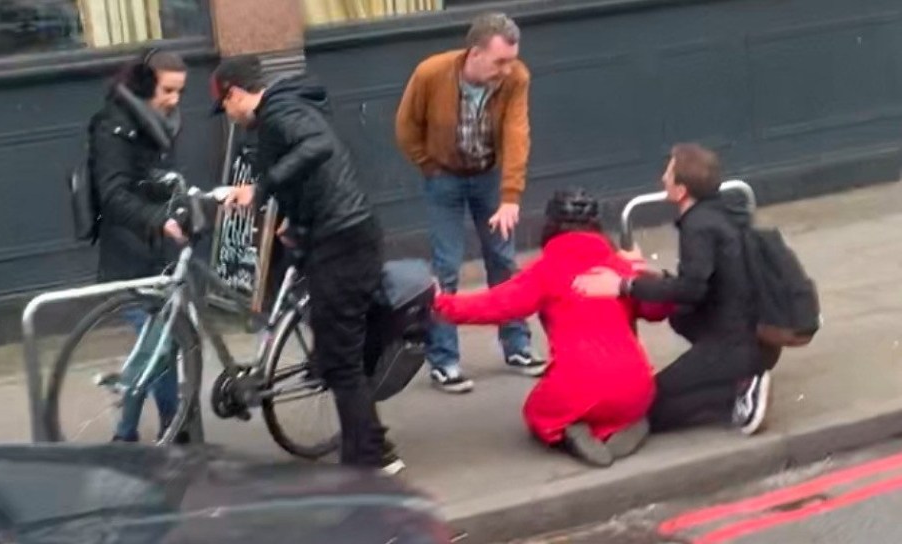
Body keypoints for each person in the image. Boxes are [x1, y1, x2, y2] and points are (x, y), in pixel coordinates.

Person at [211, 56, 403, 474]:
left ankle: (369, 460)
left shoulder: (281, 112)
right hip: (339, 235)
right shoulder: (285, 109)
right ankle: (372, 446)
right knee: (339, 352)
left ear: (235, 93)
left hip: (342, 241)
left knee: (339, 362)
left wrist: (260, 189)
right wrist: (292, 219)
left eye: (224, 106)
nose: (227, 116)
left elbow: (317, 147)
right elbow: (311, 174)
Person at [433, 189, 673, 466]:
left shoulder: (545, 271)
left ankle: (567, 431)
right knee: (628, 399)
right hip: (637, 384)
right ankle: (625, 422)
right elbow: (657, 308)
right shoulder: (621, 268)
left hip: (577, 386)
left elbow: (494, 305)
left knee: (537, 410)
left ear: (550, 225)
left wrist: (440, 304)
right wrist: (652, 278)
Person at [574, 144, 774, 436]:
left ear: (681, 191)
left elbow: (691, 289)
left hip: (732, 341)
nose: (662, 180)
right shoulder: (722, 213)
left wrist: (623, 285)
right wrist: (647, 276)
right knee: (679, 315)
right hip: (751, 331)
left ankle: (738, 390)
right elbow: (706, 281)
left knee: (648, 407)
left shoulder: (698, 226)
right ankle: (730, 374)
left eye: (668, 174)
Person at [395, 12, 545, 394]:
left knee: (503, 261)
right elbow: (406, 126)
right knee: (445, 269)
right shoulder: (432, 73)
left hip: (489, 177)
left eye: (512, 59)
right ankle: (443, 361)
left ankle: (518, 346)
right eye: (500, 61)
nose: (508, 69)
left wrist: (510, 195)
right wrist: (427, 165)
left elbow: (517, 133)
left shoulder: (516, 79)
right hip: (443, 178)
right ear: (474, 53)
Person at [88, 48, 190, 443]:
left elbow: (162, 178)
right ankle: (169, 430)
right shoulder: (112, 127)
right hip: (130, 257)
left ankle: (133, 434)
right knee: (160, 343)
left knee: (160, 345)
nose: (175, 100)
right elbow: (112, 194)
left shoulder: (159, 121)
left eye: (180, 91)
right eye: (168, 90)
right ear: (146, 84)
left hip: (161, 254)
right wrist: (157, 220)